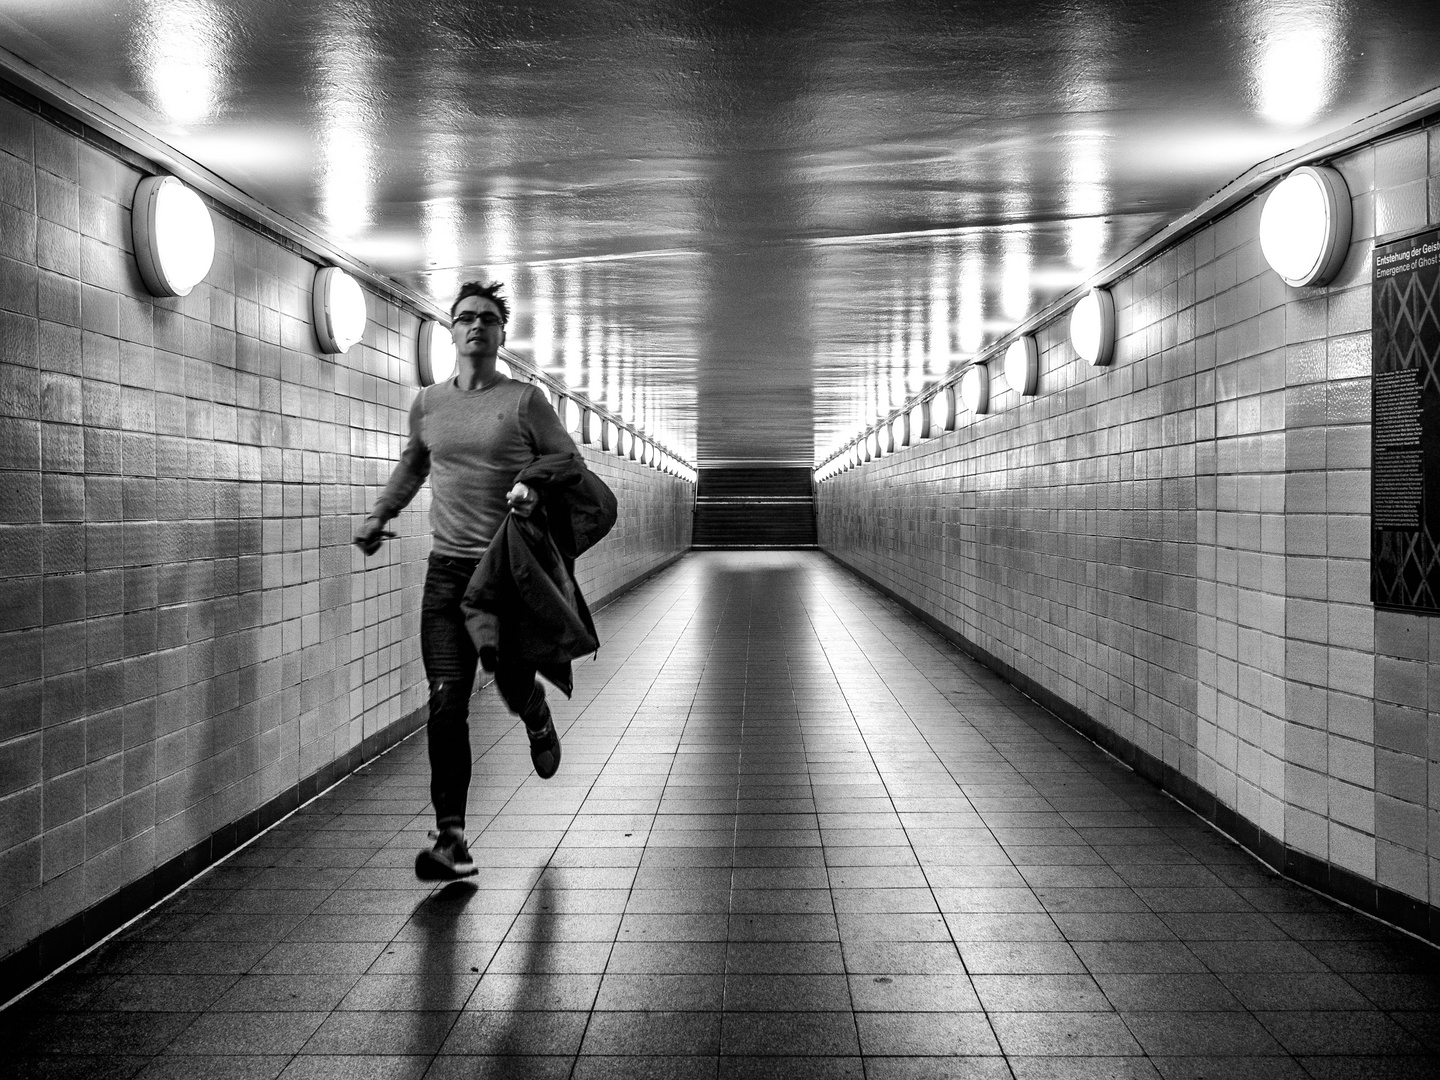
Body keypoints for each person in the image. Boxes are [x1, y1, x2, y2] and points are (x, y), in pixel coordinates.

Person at [354, 281, 577, 881]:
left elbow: (569, 461)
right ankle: (451, 838)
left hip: (504, 574)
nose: (475, 325)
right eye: (464, 318)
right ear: (450, 332)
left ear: (502, 335)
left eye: (487, 319)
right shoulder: (428, 402)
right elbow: (412, 464)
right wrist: (381, 514)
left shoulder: (526, 402)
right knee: (447, 698)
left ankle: (534, 712)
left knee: (507, 684)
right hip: (447, 574)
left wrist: (532, 480)